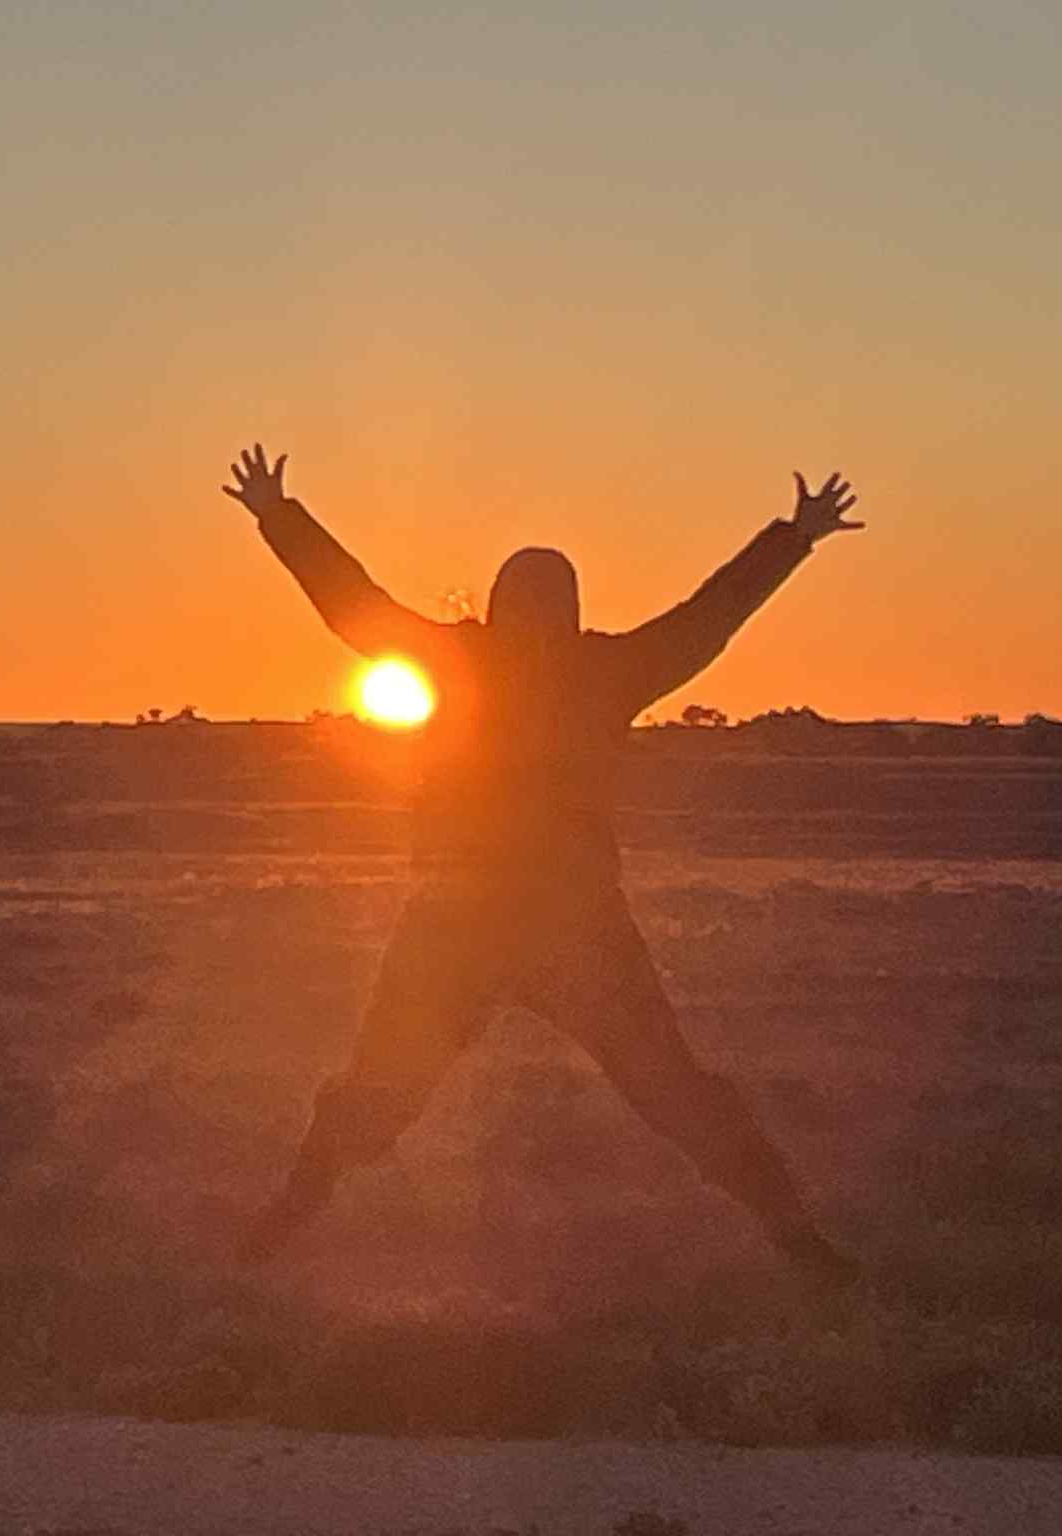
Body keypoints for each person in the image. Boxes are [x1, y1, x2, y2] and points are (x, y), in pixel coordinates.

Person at [223, 443, 863, 1281]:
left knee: (385, 1088)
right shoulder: (606, 668)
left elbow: (355, 607)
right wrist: (793, 536)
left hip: (483, 917)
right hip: (553, 917)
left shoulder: (469, 661)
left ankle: (275, 1231)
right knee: (667, 1090)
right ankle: (803, 1246)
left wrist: (280, 515)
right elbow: (709, 618)